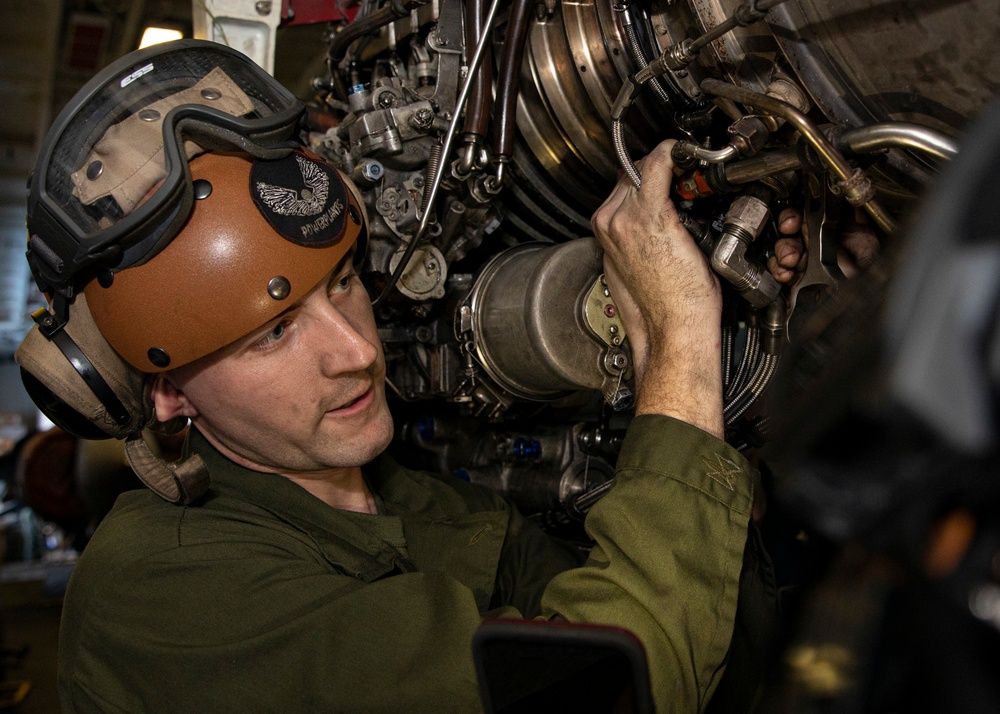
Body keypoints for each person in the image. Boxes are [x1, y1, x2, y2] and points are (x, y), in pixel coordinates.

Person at [16, 40, 773, 712]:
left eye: (342, 280)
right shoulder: (160, 594)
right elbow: (606, 687)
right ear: (166, 390)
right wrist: (678, 345)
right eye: (274, 332)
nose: (355, 350)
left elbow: (701, 648)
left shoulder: (407, 493)